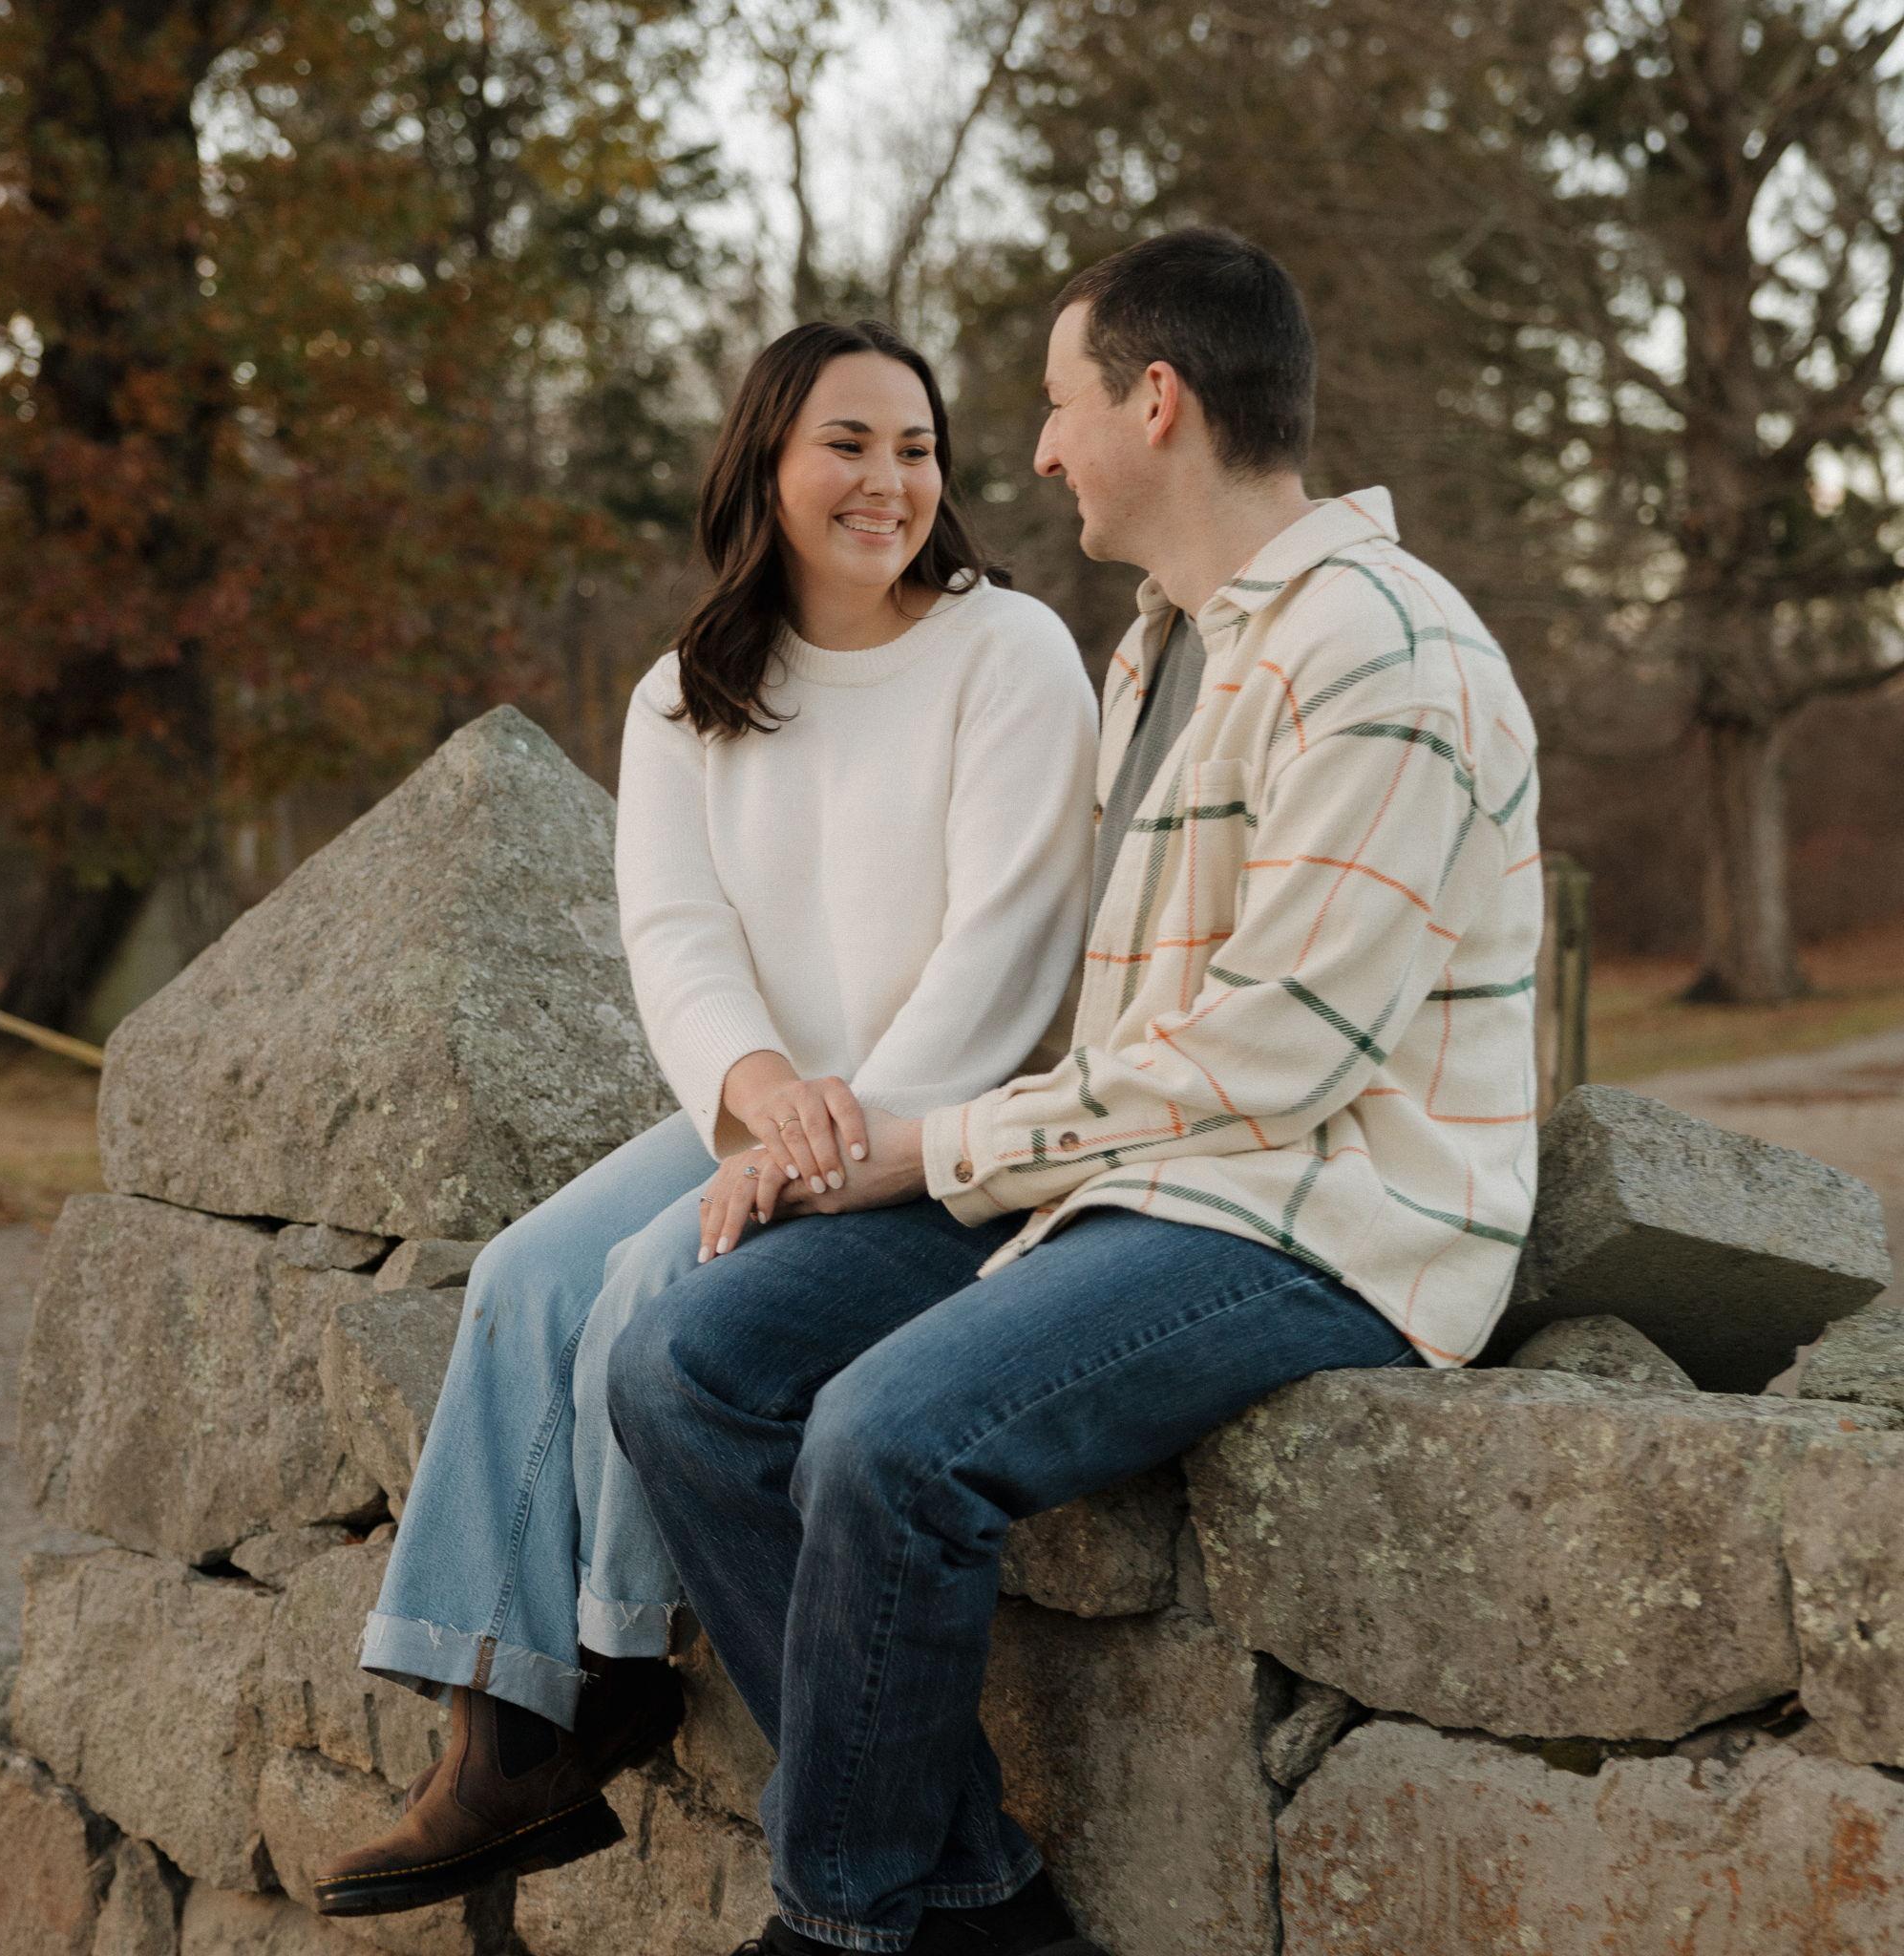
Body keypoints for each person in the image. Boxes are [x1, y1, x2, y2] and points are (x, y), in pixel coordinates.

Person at [605, 226, 1545, 1956]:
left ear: (1156, 401)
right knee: (684, 1363)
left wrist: (933, 1146)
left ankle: (838, 1929)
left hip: (1322, 1211)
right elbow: (1130, 1033)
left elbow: (1277, 1061)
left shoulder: (1386, 654)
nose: (1034, 452)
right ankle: (978, 1897)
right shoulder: (1165, 644)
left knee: (887, 1438)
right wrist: (906, 1146)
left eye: (1056, 404)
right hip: (1130, 1176)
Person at [309, 318, 1099, 1918]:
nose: (889, 481)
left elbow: (1008, 950)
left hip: (940, 1115)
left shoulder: (1007, 651)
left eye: (917, 448)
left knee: (651, 1284)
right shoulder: (686, 695)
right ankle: (504, 1726)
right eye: (847, 444)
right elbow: (676, 940)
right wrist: (759, 1095)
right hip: (766, 1101)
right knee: (524, 1274)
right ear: (766, 464)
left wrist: (837, 1143)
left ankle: (616, 1660)